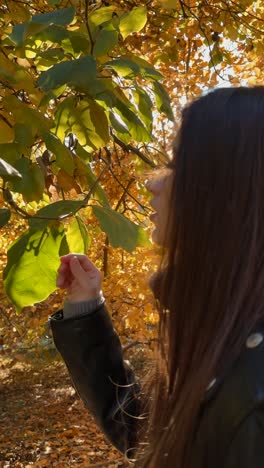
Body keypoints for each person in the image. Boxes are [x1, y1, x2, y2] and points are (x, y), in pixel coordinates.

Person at [50, 86, 264, 468]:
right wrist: (85, 309)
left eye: (176, 165)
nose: (152, 181)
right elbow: (153, 436)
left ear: (228, 188)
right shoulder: (227, 327)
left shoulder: (255, 387)